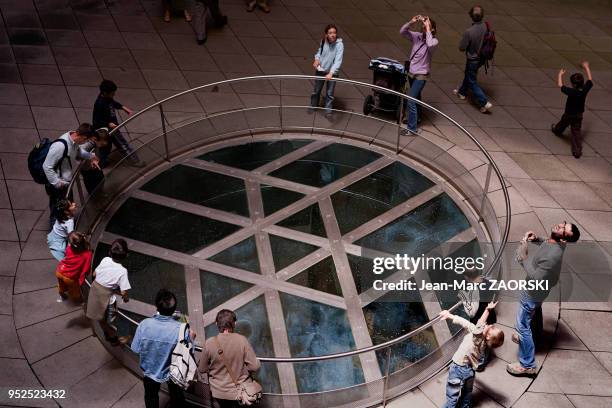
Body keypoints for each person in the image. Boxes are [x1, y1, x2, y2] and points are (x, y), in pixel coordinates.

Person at [507, 221, 580, 377]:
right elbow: (549, 242)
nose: (560, 225)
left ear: (564, 239)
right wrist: (537, 239)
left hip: (533, 292)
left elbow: (535, 278)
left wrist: (523, 258)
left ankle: (528, 365)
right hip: (539, 292)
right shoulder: (556, 241)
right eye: (564, 223)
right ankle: (536, 336)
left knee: (522, 326)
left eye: (563, 229)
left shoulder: (554, 256)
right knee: (535, 311)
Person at [131, 289, 196, 408]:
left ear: (157, 306)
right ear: (173, 308)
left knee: (151, 396)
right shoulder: (181, 330)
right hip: (173, 372)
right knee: (177, 397)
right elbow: (190, 352)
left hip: (150, 371)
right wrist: (191, 337)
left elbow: (135, 348)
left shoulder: (144, 325)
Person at [439, 301, 504, 408]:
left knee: (452, 396)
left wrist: (487, 310)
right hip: (469, 371)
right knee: (467, 393)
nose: (491, 325)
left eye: (492, 328)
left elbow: (469, 323)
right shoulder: (484, 345)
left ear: (487, 337)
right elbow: (480, 325)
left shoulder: (477, 337)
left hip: (458, 368)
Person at [198, 309, 260, 408]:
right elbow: (254, 367)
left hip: (218, 392)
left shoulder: (209, 343)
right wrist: (242, 367)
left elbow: (202, 369)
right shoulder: (242, 340)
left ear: (216, 324)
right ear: (234, 323)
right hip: (239, 392)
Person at [42, 123, 99, 229]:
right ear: (83, 137)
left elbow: (78, 151)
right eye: (86, 140)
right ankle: (55, 232)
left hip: (65, 182)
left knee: (66, 206)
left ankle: (66, 227)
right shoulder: (60, 146)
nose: (85, 143)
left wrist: (91, 156)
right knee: (58, 209)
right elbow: (47, 166)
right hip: (59, 185)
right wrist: (58, 183)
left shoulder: (74, 140)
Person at [85, 239, 131, 347]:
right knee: (111, 319)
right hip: (107, 298)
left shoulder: (105, 259)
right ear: (125, 255)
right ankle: (113, 337)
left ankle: (104, 331)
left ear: (110, 252)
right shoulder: (122, 271)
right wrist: (126, 299)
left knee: (98, 315)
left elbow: (95, 273)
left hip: (95, 290)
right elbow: (124, 292)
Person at [400, 15, 438, 135]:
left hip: (421, 75)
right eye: (423, 25)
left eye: (426, 26)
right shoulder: (417, 36)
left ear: (432, 29)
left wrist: (428, 29)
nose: (423, 27)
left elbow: (430, 44)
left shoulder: (434, 41)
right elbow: (402, 32)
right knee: (416, 97)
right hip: (412, 72)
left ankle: (412, 128)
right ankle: (417, 117)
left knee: (411, 99)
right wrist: (411, 22)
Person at [92, 80, 144, 168]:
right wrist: (108, 124)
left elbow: (113, 103)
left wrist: (122, 107)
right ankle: (135, 161)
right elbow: (96, 121)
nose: (113, 95)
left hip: (109, 129)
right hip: (110, 129)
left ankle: (101, 163)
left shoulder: (107, 99)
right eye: (112, 93)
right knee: (123, 145)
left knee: (105, 148)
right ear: (105, 93)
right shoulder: (99, 104)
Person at [453, 5, 493, 113]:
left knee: (472, 81)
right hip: (482, 57)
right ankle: (462, 92)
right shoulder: (485, 26)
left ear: (471, 16)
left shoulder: (469, 31)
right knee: (469, 74)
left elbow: (462, 47)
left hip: (473, 59)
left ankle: (484, 102)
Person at [552, 61, 593, 158]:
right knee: (576, 132)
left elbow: (560, 85)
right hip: (579, 114)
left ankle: (557, 130)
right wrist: (586, 67)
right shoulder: (584, 90)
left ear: (573, 84)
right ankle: (577, 150)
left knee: (563, 122)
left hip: (569, 113)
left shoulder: (571, 91)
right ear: (582, 83)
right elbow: (590, 80)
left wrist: (560, 75)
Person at [310, 24, 344, 116]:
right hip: (321, 70)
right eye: (330, 33)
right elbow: (319, 52)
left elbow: (338, 60)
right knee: (316, 90)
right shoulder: (323, 41)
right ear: (326, 34)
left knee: (330, 93)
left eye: (334, 33)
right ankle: (313, 106)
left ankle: (328, 111)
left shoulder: (339, 45)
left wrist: (331, 73)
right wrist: (317, 59)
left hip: (332, 73)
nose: (333, 35)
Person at [55, 231, 92, 302]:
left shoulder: (68, 248)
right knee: (74, 291)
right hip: (69, 277)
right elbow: (86, 270)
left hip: (59, 271)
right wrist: (81, 279)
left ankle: (62, 296)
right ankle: (78, 300)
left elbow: (66, 256)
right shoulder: (87, 254)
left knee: (61, 286)